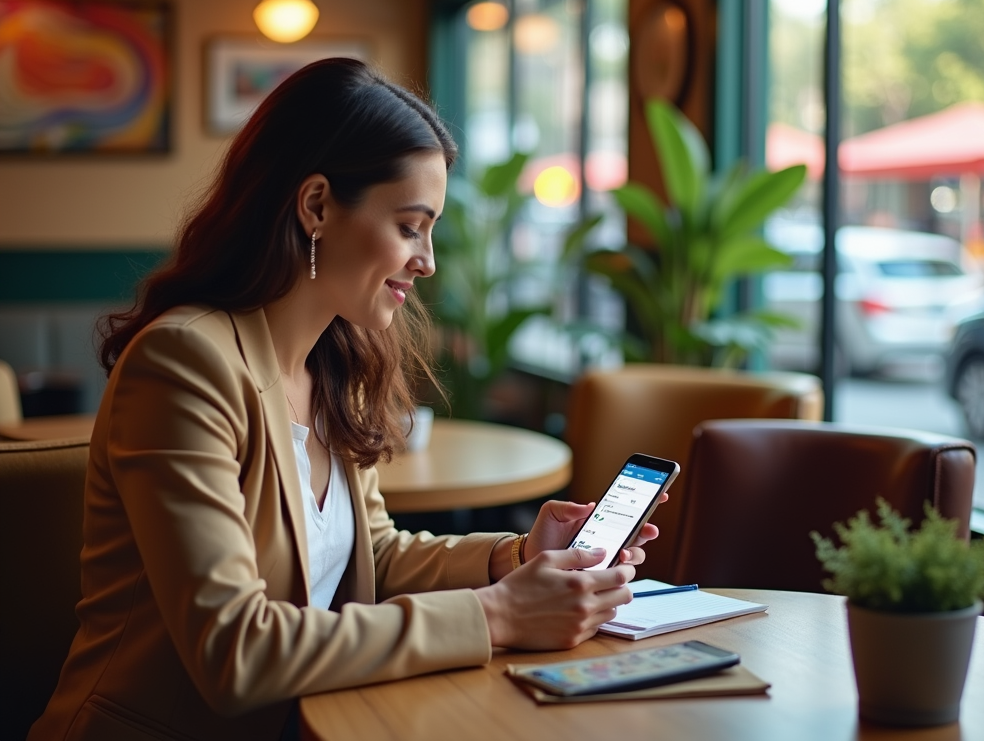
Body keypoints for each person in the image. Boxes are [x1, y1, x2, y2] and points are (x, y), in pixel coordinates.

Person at [28, 58, 665, 741]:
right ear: (317, 206)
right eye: (410, 226)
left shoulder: (332, 361)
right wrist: (497, 615)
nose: (427, 261)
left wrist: (513, 559)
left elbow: (375, 560)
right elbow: (234, 651)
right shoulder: (185, 363)